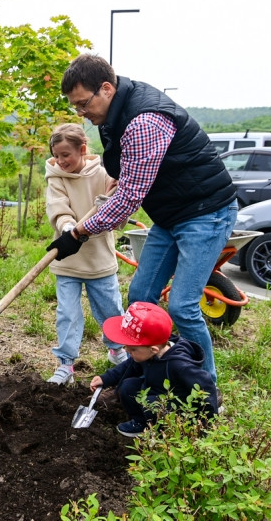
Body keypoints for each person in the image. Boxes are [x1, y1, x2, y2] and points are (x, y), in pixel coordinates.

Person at [49, 54, 238, 383]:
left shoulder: (144, 120)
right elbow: (131, 168)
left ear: (106, 89)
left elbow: (129, 199)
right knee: (140, 297)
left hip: (206, 213)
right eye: (75, 106)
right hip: (170, 215)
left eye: (82, 104)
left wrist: (78, 233)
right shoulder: (114, 111)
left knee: (182, 306)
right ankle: (150, 371)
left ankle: (205, 389)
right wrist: (118, 177)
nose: (80, 113)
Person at [44, 123, 126, 385]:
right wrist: (68, 228)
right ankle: (65, 364)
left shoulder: (103, 174)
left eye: (65, 154)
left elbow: (119, 210)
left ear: (82, 149)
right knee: (67, 314)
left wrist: (112, 201)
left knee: (110, 309)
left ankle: (117, 349)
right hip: (68, 258)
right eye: (56, 155)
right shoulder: (56, 176)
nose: (60, 160)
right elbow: (58, 207)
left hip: (99, 258)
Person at [90, 302, 219, 438]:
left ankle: (162, 431)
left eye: (132, 349)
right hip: (155, 391)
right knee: (128, 387)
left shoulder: (179, 364)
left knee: (151, 404)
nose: (126, 350)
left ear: (153, 349)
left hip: (178, 404)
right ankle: (141, 423)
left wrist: (206, 424)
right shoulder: (148, 352)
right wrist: (105, 379)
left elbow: (206, 387)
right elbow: (128, 366)